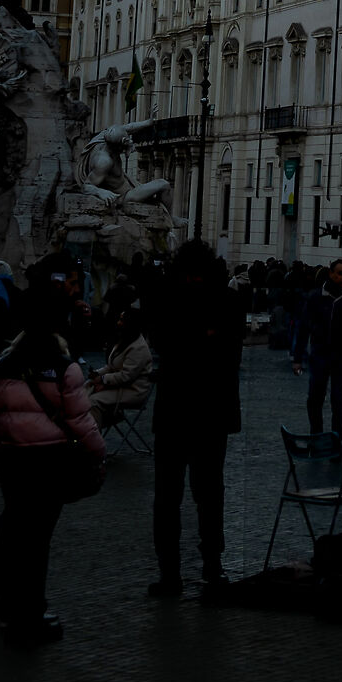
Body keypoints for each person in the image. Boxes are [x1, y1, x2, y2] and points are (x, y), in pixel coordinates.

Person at [0, 268, 106, 647]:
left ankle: (3, 603)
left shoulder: (3, 366)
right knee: (37, 540)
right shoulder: (64, 368)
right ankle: (31, 612)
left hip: (13, 462)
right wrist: (97, 453)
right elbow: (80, 419)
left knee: (13, 530)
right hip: (49, 461)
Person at [145, 240, 244, 599]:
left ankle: (171, 574)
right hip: (212, 411)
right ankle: (211, 570)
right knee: (209, 493)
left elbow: (166, 344)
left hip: (175, 409)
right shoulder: (227, 301)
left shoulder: (168, 299)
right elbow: (230, 352)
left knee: (168, 498)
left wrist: (192, 341)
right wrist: (207, 338)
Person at [293, 258, 342, 436]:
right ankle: (316, 434)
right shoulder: (316, 296)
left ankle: (336, 439)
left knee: (339, 399)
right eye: (340, 273)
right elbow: (304, 327)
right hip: (320, 354)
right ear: (331, 273)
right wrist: (298, 358)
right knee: (315, 398)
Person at [86, 299, 153, 432]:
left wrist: (103, 380)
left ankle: (92, 436)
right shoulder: (124, 340)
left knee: (93, 401)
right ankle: (89, 430)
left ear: (130, 324)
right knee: (86, 388)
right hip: (121, 386)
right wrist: (97, 374)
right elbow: (112, 366)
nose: (118, 322)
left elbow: (126, 376)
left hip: (133, 391)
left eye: (122, 320)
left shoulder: (138, 347)